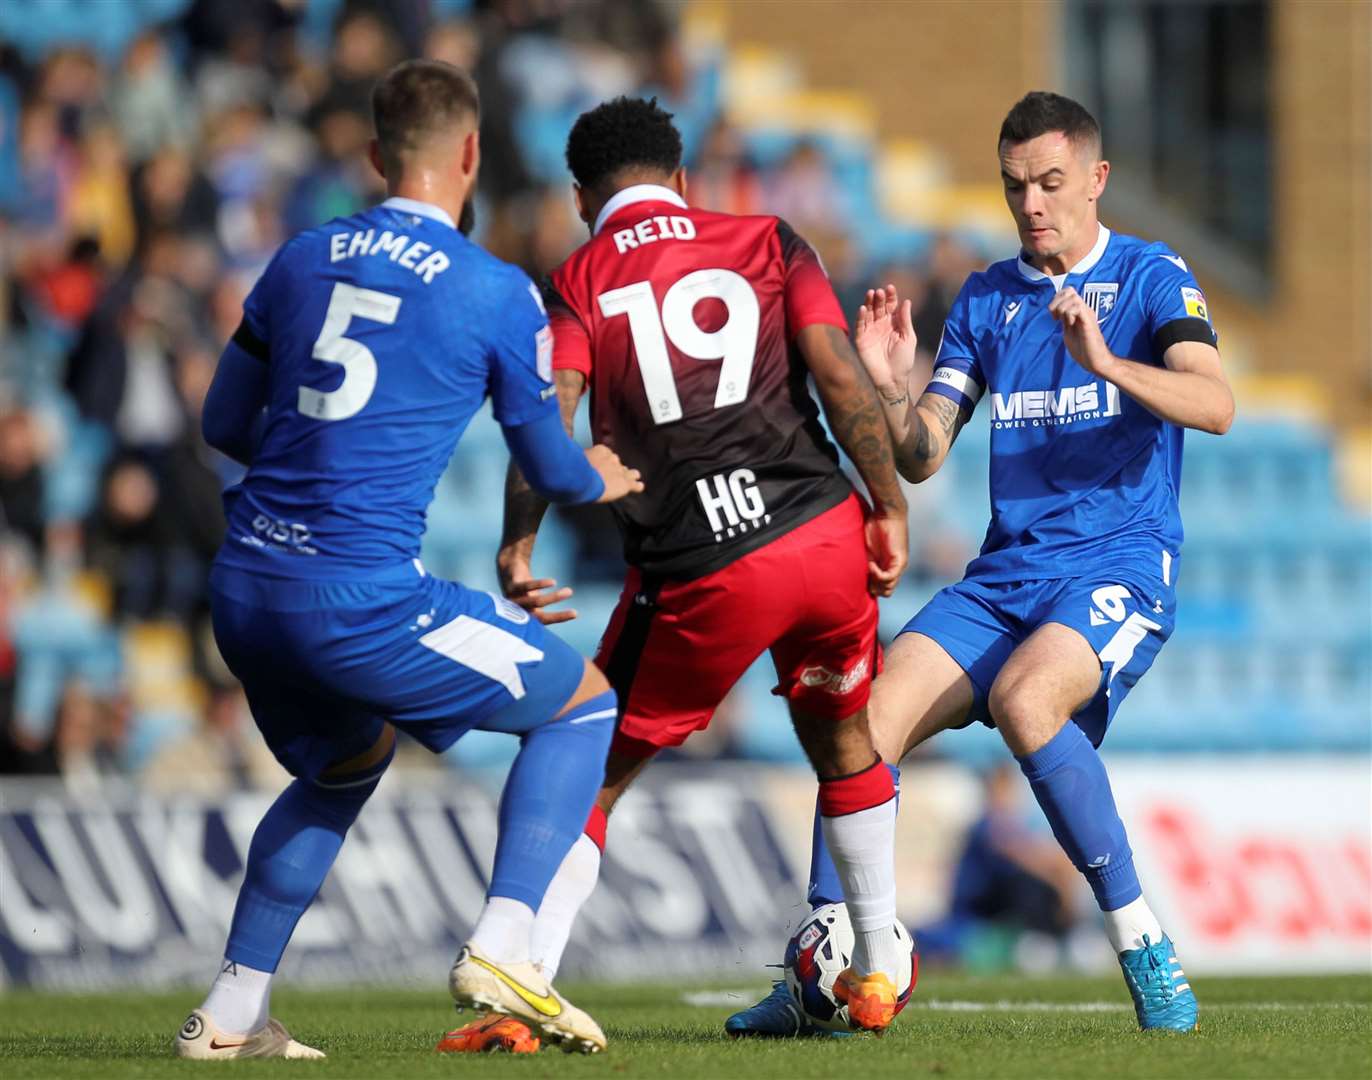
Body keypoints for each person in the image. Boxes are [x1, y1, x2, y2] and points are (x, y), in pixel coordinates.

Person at [731, 91, 1232, 1036]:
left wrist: (1107, 361)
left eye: (1051, 182)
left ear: (1096, 179)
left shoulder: (1153, 275)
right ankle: (824, 972)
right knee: (852, 727)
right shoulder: (989, 296)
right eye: (1015, 186)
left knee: (1026, 702)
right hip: (1005, 578)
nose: (1033, 204)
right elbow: (923, 452)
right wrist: (888, 387)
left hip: (1116, 563)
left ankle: (1142, 944)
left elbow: (1215, 405)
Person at [173, 60, 643, 1061]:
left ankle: (231, 1014)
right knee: (585, 704)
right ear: (470, 154)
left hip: (247, 587)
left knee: (347, 764)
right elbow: (550, 464)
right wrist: (598, 474)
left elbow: (222, 420)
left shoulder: (300, 258)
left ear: (376, 155)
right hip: (359, 599)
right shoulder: (492, 289)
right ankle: (505, 942)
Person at [440, 95, 912, 1052]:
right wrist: (889, 500)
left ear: (582, 199)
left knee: (591, 764)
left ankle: (520, 988)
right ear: (683, 180)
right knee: (845, 740)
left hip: (703, 566)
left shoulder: (578, 275)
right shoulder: (770, 237)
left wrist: (519, 543)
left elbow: (548, 409)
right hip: (822, 536)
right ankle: (876, 964)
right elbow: (835, 370)